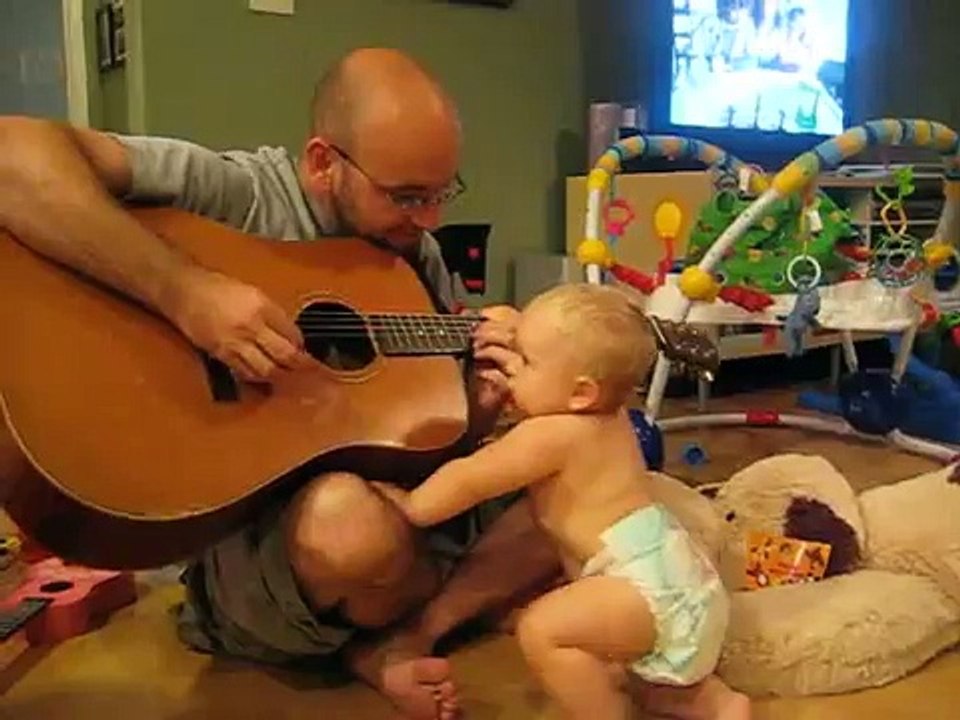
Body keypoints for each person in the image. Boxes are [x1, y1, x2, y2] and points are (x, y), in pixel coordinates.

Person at [0, 48, 562, 719]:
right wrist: (186, 293)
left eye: (443, 193)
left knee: (573, 466)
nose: (430, 220)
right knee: (347, 523)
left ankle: (408, 634)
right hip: (269, 551)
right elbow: (11, 157)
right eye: (407, 196)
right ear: (323, 162)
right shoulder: (236, 191)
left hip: (400, 506)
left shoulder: (416, 251)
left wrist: (474, 412)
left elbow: (425, 439)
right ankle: (422, 616)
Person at [375, 283, 751, 720]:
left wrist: (409, 507)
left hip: (644, 589)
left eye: (526, 361)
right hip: (672, 574)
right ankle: (720, 706)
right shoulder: (610, 420)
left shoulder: (552, 434)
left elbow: (469, 480)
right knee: (643, 678)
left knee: (544, 630)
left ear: (581, 393)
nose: (510, 368)